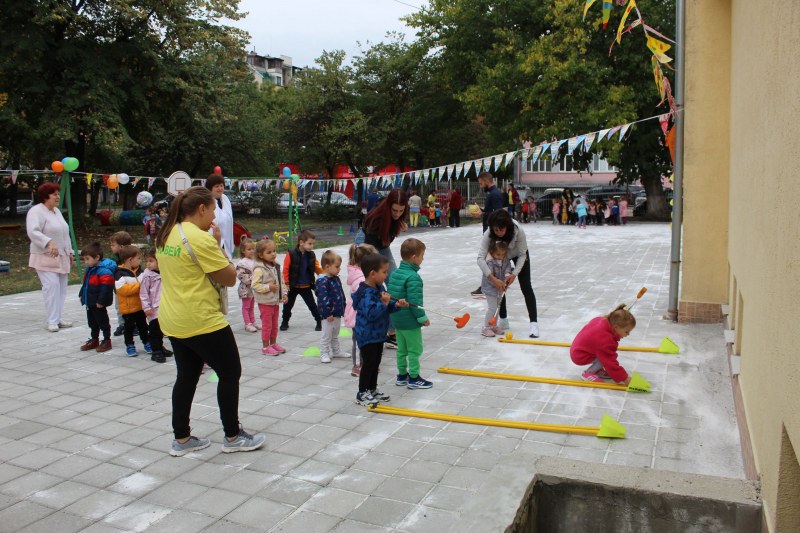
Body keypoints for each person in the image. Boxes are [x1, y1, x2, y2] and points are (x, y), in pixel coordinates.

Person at [156, 185, 265, 456]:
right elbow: (229, 277)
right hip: (201, 319)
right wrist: (217, 245)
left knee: (187, 376)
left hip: (173, 318)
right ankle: (232, 435)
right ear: (201, 209)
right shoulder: (200, 239)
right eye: (212, 211)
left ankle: (181, 438)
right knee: (230, 373)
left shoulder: (167, 232)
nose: (214, 220)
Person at [352, 253, 407, 405]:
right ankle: (362, 392)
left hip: (378, 334)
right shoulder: (365, 293)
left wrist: (395, 305)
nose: (386, 274)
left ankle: (372, 390)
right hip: (367, 335)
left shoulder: (378, 287)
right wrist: (383, 303)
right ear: (372, 273)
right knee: (368, 364)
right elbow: (371, 314)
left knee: (375, 363)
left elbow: (384, 308)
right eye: (384, 272)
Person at [477, 209, 540, 338]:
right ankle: (503, 319)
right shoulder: (489, 233)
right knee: (499, 286)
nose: (499, 233)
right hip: (498, 255)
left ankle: (534, 323)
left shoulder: (518, 230)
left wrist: (514, 273)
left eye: (501, 230)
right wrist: (493, 278)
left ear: (507, 227)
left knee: (526, 287)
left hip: (517, 255)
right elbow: (480, 259)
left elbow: (523, 254)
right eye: (496, 230)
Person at [362, 188, 409, 348]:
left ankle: (391, 330)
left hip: (382, 246)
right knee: (377, 286)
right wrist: (378, 271)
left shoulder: (399, 216)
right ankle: (382, 331)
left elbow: (386, 240)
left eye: (401, 211)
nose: (397, 213)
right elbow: (369, 249)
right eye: (394, 210)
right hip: (367, 247)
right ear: (388, 205)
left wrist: (399, 226)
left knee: (395, 282)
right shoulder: (377, 219)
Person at [26, 183, 74, 332]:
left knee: (61, 289)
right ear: (45, 196)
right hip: (44, 256)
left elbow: (64, 233)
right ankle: (52, 321)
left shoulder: (56, 211)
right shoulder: (36, 211)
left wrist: (70, 251)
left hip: (61, 256)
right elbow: (33, 232)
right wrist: (48, 241)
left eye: (58, 194)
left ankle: (58, 318)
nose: (58, 197)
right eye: (54, 194)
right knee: (51, 287)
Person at [387, 238, 433, 389]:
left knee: (402, 349)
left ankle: (401, 376)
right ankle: (414, 377)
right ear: (414, 258)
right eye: (422, 256)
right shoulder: (413, 277)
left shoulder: (394, 273)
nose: (423, 259)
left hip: (397, 319)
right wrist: (422, 318)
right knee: (415, 349)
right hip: (410, 321)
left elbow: (391, 295)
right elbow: (415, 301)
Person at [570, 304, 635, 385]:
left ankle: (597, 369)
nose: (628, 334)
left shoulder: (604, 320)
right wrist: (625, 378)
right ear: (616, 327)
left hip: (578, 348)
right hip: (580, 355)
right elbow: (610, 362)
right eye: (626, 331)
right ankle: (588, 373)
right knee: (605, 357)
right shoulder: (605, 340)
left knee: (603, 354)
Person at [344, 243, 377, 377]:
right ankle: (358, 366)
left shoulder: (363, 275)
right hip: (358, 317)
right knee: (358, 342)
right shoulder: (360, 280)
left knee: (366, 342)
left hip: (364, 315)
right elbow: (363, 301)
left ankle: (367, 363)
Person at [280, 230, 323, 332]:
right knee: (287, 306)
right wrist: (286, 285)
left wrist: (327, 274)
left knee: (312, 305)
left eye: (313, 244)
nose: (312, 246)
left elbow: (317, 268)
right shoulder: (290, 253)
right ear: (301, 243)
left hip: (306, 286)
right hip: (293, 286)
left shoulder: (311, 255)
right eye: (310, 243)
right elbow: (285, 270)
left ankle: (319, 321)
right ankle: (285, 322)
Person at [114, 245, 152, 357]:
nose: (140, 261)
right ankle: (130, 345)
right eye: (138, 258)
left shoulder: (140, 271)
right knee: (129, 328)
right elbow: (122, 290)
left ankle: (147, 342)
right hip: (128, 309)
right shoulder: (119, 273)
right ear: (130, 260)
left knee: (143, 327)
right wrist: (139, 286)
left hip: (140, 307)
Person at [78, 242, 115, 353]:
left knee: (102, 322)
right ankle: (94, 339)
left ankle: (107, 340)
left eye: (87, 259)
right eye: (84, 259)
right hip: (90, 302)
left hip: (98, 303)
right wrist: (82, 294)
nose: (85, 262)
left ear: (97, 257)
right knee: (92, 322)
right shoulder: (90, 269)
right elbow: (86, 284)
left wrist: (101, 301)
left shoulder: (104, 271)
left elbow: (106, 288)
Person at [253, 239, 287, 356]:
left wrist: (284, 294)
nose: (273, 254)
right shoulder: (259, 269)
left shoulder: (275, 266)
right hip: (265, 302)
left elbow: (281, 281)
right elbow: (255, 285)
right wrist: (268, 287)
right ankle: (265, 347)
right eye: (269, 252)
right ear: (260, 255)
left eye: (274, 251)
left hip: (275, 302)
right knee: (267, 326)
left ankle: (273, 344)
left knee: (274, 325)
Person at [471, 172, 503, 296]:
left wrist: (483, 214)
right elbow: (492, 211)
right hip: (490, 231)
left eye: (480, 183)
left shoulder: (494, 194)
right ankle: (489, 284)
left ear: (486, 181)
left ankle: (487, 286)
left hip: (492, 232)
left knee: (487, 259)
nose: (480, 186)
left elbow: (498, 214)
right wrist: (483, 211)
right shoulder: (492, 193)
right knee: (489, 259)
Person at [139, 248, 171, 363]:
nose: (148, 264)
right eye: (146, 261)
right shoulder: (147, 275)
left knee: (163, 329)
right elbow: (143, 293)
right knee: (155, 330)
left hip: (165, 306)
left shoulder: (165, 271)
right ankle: (156, 351)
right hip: (153, 308)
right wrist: (146, 307)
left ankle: (160, 347)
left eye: (151, 261)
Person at [315, 250, 347, 364]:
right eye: (337, 267)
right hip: (328, 314)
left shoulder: (335, 278)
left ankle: (336, 351)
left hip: (337, 312)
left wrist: (344, 306)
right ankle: (324, 352)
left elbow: (341, 293)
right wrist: (327, 313)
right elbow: (323, 299)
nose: (339, 269)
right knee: (326, 334)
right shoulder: (322, 281)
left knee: (335, 333)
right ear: (327, 267)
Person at [480, 241, 513, 338]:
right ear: (492, 252)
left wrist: (507, 276)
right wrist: (498, 282)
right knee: (492, 307)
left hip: (500, 288)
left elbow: (507, 268)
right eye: (498, 254)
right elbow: (490, 275)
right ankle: (486, 327)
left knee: (497, 307)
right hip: (490, 288)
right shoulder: (490, 262)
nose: (500, 256)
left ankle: (493, 325)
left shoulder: (505, 260)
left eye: (503, 254)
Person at [205, 174, 235, 260]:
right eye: (217, 186)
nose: (220, 188)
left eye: (222, 186)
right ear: (210, 188)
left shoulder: (225, 199)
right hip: (213, 241)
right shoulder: (207, 202)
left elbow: (229, 219)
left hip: (227, 242)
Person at [109, 231, 133, 336]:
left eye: (113, 245)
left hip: (130, 287)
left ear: (122, 246)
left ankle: (133, 325)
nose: (111, 247)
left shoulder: (131, 257)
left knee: (132, 306)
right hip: (118, 289)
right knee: (119, 307)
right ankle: (122, 324)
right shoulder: (113, 259)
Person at [236, 237, 259, 333]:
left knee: (252, 306)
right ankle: (247, 324)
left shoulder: (254, 260)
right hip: (245, 289)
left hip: (253, 288)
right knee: (246, 307)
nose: (252, 251)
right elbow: (241, 275)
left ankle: (253, 321)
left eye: (253, 249)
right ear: (243, 251)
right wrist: (254, 279)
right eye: (249, 249)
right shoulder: (242, 263)